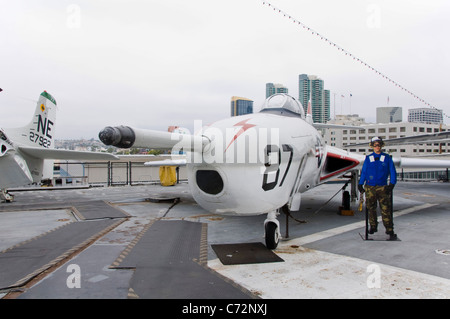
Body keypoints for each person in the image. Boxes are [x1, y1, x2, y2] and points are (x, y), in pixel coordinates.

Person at [358, 137, 397, 240]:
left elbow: (392, 171)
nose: (377, 147)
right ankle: (373, 226)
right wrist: (360, 183)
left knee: (385, 209)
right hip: (370, 187)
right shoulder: (368, 158)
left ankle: (389, 229)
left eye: (378, 145)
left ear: (381, 146)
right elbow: (364, 172)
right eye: (375, 145)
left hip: (382, 187)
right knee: (371, 208)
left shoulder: (387, 158)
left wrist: (392, 184)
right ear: (372, 147)